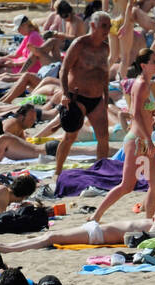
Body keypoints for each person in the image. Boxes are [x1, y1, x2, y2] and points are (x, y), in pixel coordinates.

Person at [0, 190, 155, 252]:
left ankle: (7, 249)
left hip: (97, 235)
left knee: (52, 236)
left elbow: (149, 242)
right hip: (96, 228)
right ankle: (6, 247)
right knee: (50, 235)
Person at [91, 49, 155, 223]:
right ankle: (96, 216)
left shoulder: (147, 83)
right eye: (154, 61)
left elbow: (141, 112)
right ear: (143, 65)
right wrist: (148, 139)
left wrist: (153, 112)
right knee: (127, 185)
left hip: (142, 139)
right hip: (138, 140)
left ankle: (148, 220)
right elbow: (136, 115)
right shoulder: (142, 84)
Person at [55, 12, 113, 176]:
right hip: (76, 97)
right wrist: (65, 94)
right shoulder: (79, 44)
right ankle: (58, 171)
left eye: (109, 26)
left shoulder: (105, 47)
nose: (107, 30)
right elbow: (64, 70)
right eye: (104, 26)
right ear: (93, 26)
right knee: (70, 137)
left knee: (103, 136)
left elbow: (105, 74)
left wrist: (106, 98)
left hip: (97, 99)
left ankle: (100, 172)